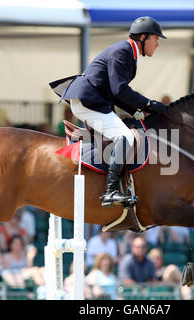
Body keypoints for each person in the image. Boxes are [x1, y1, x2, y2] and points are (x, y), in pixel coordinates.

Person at [51, 16, 167, 208]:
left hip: (96, 102)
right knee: (126, 138)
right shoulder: (123, 51)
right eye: (156, 38)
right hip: (88, 101)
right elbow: (119, 90)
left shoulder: (129, 53)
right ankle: (110, 191)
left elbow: (118, 93)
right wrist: (148, 103)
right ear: (143, 37)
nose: (157, 44)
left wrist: (138, 110)